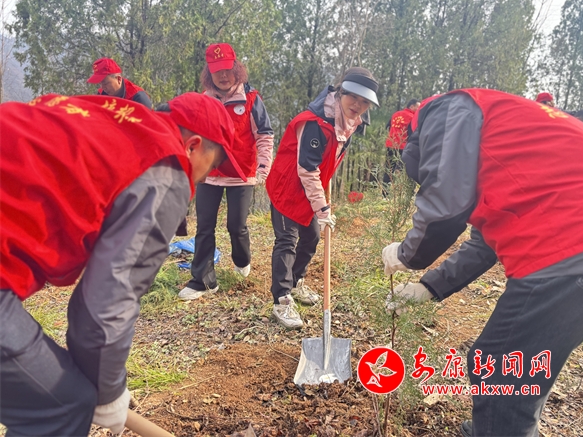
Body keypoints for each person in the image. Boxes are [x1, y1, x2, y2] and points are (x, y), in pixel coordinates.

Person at [0, 92, 245, 436]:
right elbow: (105, 305)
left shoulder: (115, 118)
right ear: (193, 146)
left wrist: (102, 381)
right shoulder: (167, 168)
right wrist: (108, 391)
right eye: (213, 165)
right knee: (63, 404)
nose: (206, 178)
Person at [381, 88, 583, 437]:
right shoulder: (507, 135)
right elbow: (483, 245)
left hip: (574, 247)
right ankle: (501, 426)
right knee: (523, 365)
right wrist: (429, 287)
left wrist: (407, 254)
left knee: (499, 365)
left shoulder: (446, 111)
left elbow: (445, 205)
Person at [266, 67, 379, 329]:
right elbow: (307, 169)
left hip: (310, 190)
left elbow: (326, 161)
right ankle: (282, 299)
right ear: (340, 92)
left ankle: (296, 283)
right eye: (353, 97)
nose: (358, 105)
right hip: (288, 187)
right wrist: (323, 209)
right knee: (287, 241)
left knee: (312, 237)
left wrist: (320, 202)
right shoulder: (315, 123)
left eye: (364, 102)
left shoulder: (349, 122)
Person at [177, 43, 274, 301]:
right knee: (204, 226)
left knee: (236, 225)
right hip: (209, 174)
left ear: (236, 68)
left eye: (227, 69)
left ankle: (242, 259)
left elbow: (264, 135)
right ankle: (203, 281)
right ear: (209, 73)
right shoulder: (203, 101)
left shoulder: (251, 99)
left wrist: (263, 167)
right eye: (216, 70)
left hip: (241, 173)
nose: (223, 75)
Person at [87, 57, 152, 108]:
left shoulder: (138, 97)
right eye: (100, 83)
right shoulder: (101, 95)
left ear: (118, 79)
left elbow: (148, 120)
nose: (103, 87)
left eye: (106, 83)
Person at [383, 98, 420, 183]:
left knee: (389, 169)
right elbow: (412, 134)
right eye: (418, 107)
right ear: (411, 106)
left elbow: (387, 127)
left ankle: (385, 190)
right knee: (405, 170)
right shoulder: (413, 117)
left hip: (390, 145)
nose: (419, 109)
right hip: (403, 147)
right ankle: (401, 189)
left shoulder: (396, 114)